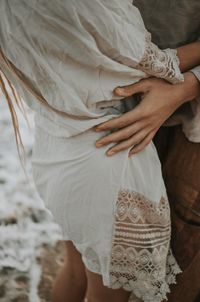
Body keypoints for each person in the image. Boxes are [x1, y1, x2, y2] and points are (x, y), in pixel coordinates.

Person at [0, 1, 198, 302]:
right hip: (108, 163)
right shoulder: (88, 7)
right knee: (107, 296)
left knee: (75, 272)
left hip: (57, 151)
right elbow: (158, 65)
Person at [93, 1, 200, 301]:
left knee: (176, 278)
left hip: (188, 128)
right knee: (104, 271)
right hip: (109, 119)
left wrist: (187, 87)